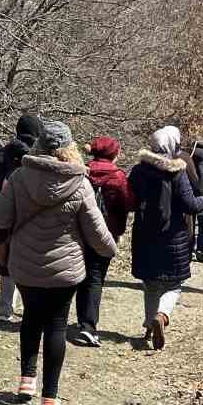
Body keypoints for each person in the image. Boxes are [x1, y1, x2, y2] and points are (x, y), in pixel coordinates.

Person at [0, 121, 116, 405]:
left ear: (38, 145)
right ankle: (49, 400)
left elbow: (0, 217)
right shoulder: (79, 182)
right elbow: (97, 232)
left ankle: (25, 383)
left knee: (31, 318)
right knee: (56, 326)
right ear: (69, 147)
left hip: (24, 266)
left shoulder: (20, 176)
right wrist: (111, 250)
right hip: (65, 269)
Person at [128, 126, 203, 350]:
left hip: (144, 234)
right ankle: (161, 316)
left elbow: (130, 199)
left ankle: (149, 325)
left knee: (150, 283)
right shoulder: (177, 172)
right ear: (173, 145)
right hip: (173, 236)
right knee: (173, 285)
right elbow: (190, 205)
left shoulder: (138, 171)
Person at [76, 136, 133, 347]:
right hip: (106, 233)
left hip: (79, 231)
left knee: (81, 276)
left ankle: (81, 321)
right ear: (113, 154)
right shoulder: (118, 177)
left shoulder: (82, 171)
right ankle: (88, 326)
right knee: (95, 277)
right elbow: (129, 202)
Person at [0, 112, 42, 322]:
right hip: (31, 216)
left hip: (5, 214)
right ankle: (32, 309)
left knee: (5, 260)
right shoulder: (38, 156)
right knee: (30, 261)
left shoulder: (2, 154)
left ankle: (5, 308)